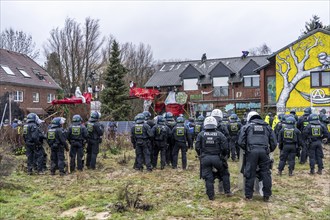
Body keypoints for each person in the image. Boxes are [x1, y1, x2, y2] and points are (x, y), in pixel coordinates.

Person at [238, 111, 277, 202]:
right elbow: (274, 143)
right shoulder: (267, 127)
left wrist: (247, 149)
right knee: (266, 173)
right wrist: (268, 150)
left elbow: (240, 142)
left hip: (251, 151)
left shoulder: (246, 127)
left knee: (250, 173)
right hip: (264, 151)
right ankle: (266, 195)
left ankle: (249, 196)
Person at [195, 116, 233, 200]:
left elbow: (197, 147)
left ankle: (211, 196)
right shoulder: (220, 134)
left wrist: (200, 156)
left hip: (205, 158)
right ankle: (227, 192)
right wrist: (223, 156)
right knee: (225, 174)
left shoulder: (201, 134)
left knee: (208, 177)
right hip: (217, 158)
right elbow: (225, 147)